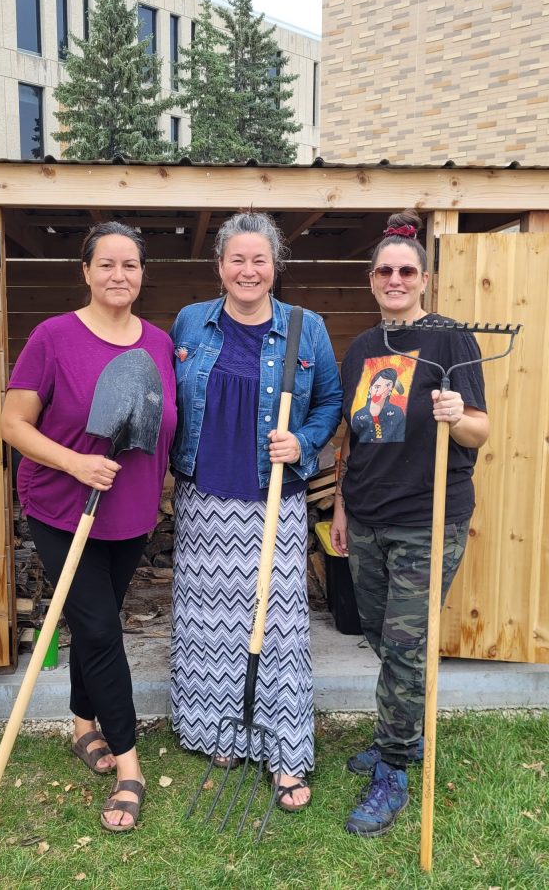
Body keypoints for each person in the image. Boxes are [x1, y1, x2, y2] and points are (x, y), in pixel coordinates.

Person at [0, 222, 176, 833]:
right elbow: (13, 423)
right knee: (101, 630)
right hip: (60, 506)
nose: (118, 275)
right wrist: (75, 461)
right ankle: (130, 768)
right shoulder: (53, 337)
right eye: (106, 264)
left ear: (142, 274)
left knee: (91, 621)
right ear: (86, 270)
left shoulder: (157, 342)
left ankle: (82, 724)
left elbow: (158, 423)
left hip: (129, 513)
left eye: (129, 265)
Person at [169, 210, 342, 812]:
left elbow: (330, 400)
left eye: (259, 259)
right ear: (220, 267)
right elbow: (171, 400)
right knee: (209, 623)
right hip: (203, 498)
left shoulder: (305, 328)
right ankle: (226, 730)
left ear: (275, 266)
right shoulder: (192, 322)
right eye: (236, 259)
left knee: (279, 625)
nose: (248, 269)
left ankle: (285, 750)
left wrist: (305, 444)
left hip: (273, 498)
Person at [329, 210, 489, 837]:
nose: (395, 279)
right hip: (366, 515)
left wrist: (457, 411)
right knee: (375, 631)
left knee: (403, 646)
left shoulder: (451, 341)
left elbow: (481, 430)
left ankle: (394, 764)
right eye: (384, 271)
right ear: (372, 279)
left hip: (428, 518)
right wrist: (341, 509)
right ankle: (400, 733)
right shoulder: (364, 349)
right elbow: (355, 441)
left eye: (406, 271)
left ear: (423, 279)